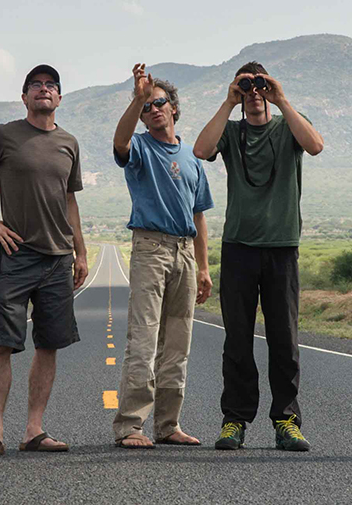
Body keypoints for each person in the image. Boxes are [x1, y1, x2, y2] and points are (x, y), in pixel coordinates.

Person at [0, 64, 88, 458]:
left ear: (59, 98)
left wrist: (80, 251)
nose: (43, 90)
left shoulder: (69, 142)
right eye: (36, 85)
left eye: (51, 85)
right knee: (3, 344)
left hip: (58, 259)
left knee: (48, 344)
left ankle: (34, 430)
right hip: (15, 256)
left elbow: (69, 199)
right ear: (25, 97)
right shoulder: (5, 135)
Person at [193, 61, 324, 451]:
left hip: (282, 247)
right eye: (247, 86)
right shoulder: (232, 132)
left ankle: (287, 421)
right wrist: (229, 102)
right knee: (237, 340)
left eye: (259, 85)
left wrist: (280, 99)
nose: (254, 91)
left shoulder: (288, 126)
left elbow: (315, 146)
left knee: (284, 339)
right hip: (238, 247)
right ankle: (234, 420)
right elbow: (201, 149)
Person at [111, 64, 214, 449]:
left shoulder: (192, 157)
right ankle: (130, 426)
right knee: (144, 338)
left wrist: (204, 267)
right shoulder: (139, 147)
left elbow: (198, 214)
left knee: (178, 341)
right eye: (146, 107)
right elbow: (120, 142)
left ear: (173, 108)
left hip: (185, 252)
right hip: (150, 249)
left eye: (158, 103)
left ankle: (168, 425)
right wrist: (135, 97)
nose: (153, 110)